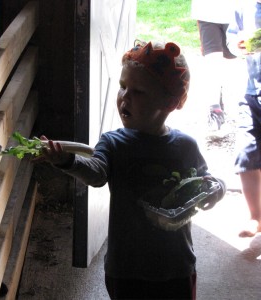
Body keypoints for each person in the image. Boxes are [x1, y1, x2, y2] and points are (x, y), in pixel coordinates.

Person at [35, 41, 226, 299]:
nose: (124, 96)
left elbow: (207, 181)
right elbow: (96, 173)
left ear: (169, 102)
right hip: (127, 268)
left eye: (138, 91)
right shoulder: (113, 143)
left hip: (176, 265)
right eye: (123, 86)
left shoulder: (185, 146)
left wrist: (217, 190)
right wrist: (67, 162)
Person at [226, 0, 261, 237]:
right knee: (245, 152)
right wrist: (237, 47)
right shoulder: (244, 6)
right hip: (251, 91)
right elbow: (231, 39)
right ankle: (256, 216)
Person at [191, 0, 236, 130]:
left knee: (236, 53)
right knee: (213, 58)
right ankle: (214, 109)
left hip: (236, 11)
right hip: (207, 11)